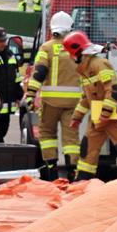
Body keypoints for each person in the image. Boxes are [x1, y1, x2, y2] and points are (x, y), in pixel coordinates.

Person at [63, 31, 117, 180]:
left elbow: (113, 90)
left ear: (77, 52)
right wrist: (77, 117)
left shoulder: (99, 64)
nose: (70, 58)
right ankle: (82, 183)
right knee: (87, 150)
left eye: (70, 54)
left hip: (115, 114)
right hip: (98, 116)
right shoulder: (84, 70)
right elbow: (86, 98)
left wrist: (106, 113)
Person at [23, 11, 81, 180]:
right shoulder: (77, 48)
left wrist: (30, 94)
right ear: (70, 28)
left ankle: (51, 171)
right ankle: (72, 172)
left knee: (47, 134)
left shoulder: (47, 47)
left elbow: (39, 72)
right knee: (71, 137)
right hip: (73, 102)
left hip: (51, 102)